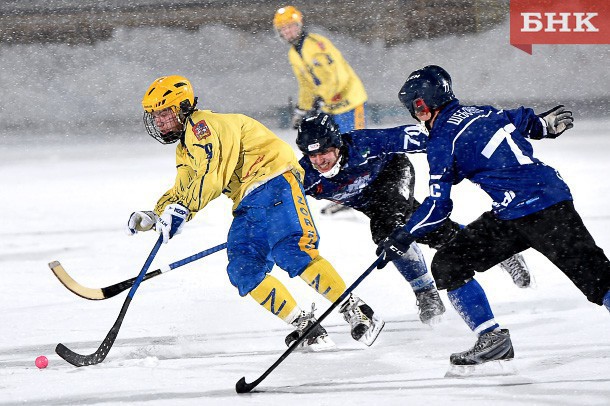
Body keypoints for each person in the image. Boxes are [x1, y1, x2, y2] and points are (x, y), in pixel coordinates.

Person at [127, 75, 384, 350]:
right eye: (155, 115)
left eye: (164, 112)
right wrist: (157, 213)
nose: (159, 121)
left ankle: (356, 310)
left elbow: (211, 177)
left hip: (275, 181)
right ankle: (305, 325)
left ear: (183, 106)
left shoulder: (203, 127)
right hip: (247, 203)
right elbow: (185, 186)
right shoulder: (185, 147)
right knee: (243, 268)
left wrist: (181, 211)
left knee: (292, 251)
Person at [377, 64, 610, 366]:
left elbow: (438, 208)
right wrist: (542, 126)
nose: (417, 116)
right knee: (450, 262)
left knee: (598, 278)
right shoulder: (483, 111)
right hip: (529, 205)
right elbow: (523, 120)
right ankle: (492, 340)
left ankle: (491, 335)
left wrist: (403, 235)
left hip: (538, 208)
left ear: (424, 105)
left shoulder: (442, 139)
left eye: (416, 108)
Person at [296, 112, 532, 325]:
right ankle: (497, 250)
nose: (319, 161)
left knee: (390, 233)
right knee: (433, 231)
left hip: (392, 176)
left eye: (324, 152)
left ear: (338, 145)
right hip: (371, 202)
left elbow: (423, 135)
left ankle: (424, 291)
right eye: (312, 155)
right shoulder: (304, 177)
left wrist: (472, 138)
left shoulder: (363, 143)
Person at [273, 5, 367, 216]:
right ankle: (348, 194)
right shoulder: (294, 53)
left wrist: (326, 98)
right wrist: (302, 108)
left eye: (291, 27)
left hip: (349, 102)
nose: (288, 32)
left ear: (299, 25)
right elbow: (306, 84)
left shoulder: (315, 45)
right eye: (283, 29)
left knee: (356, 147)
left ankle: (364, 191)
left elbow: (337, 76)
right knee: (337, 149)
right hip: (331, 106)